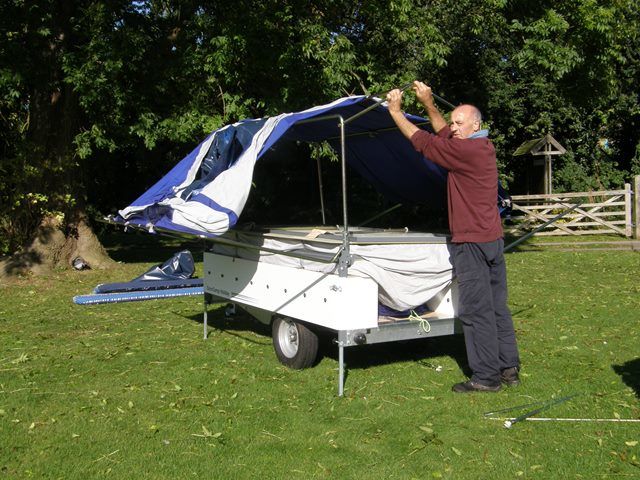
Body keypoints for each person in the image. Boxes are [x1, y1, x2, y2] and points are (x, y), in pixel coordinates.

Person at [386, 81, 520, 393]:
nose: (455, 128)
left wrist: (396, 112)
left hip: (471, 243)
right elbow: (444, 133)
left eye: (461, 123)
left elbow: (425, 143)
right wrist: (429, 103)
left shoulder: (467, 151)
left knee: (475, 309)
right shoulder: (480, 146)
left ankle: (486, 377)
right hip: (492, 240)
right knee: (498, 306)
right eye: (454, 121)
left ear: (477, 124)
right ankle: (508, 367)